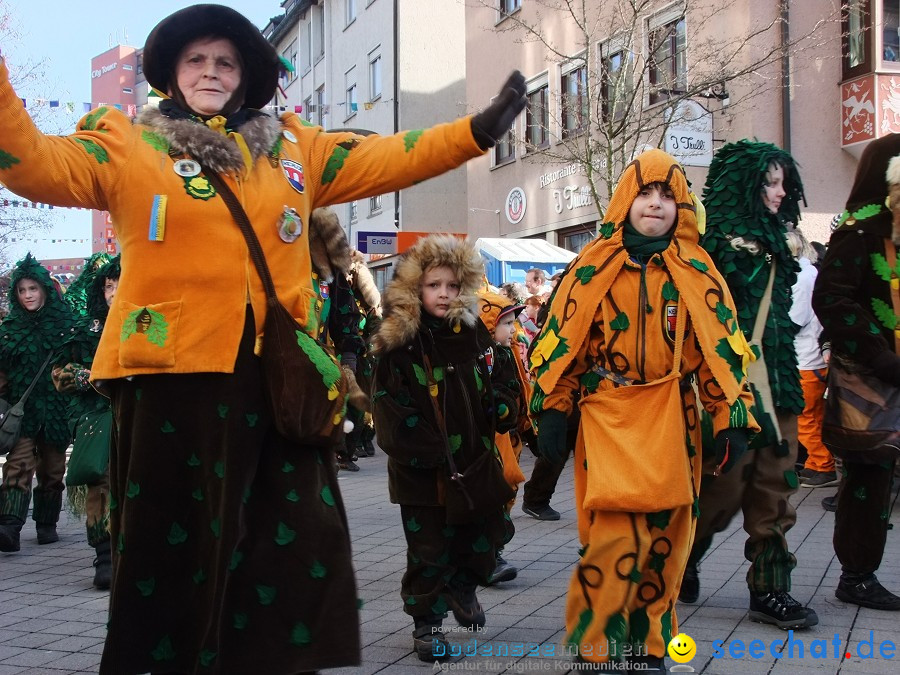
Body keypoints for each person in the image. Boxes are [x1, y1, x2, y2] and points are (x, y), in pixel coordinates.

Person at [0, 5, 526, 672]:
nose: (212, 72)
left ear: (246, 76)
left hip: (278, 387)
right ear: (172, 74)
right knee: (177, 549)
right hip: (171, 385)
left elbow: (387, 155)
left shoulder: (293, 149)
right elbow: (29, 163)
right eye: (197, 60)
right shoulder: (125, 144)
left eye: (227, 62)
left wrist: (475, 133)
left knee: (295, 542)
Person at [529, 149, 758, 670]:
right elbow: (563, 342)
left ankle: (649, 644)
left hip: (675, 421)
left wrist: (730, 417)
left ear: (681, 205)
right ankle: (596, 646)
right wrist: (552, 409)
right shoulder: (590, 268)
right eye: (645, 193)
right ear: (624, 201)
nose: (655, 204)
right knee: (612, 539)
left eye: (667, 194)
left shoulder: (698, 272)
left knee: (665, 541)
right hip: (608, 418)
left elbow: (720, 350)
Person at [679, 140, 819, 630]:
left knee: (776, 485)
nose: (781, 193)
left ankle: (770, 589)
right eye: (770, 183)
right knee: (721, 489)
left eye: (784, 183)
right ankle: (685, 557)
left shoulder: (781, 246)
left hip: (778, 385)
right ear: (745, 186)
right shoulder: (710, 250)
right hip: (727, 393)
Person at [372, 235, 519, 661]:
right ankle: (427, 627)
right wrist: (427, 449)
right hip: (424, 473)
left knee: (486, 538)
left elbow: (499, 382)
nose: (443, 294)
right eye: (434, 285)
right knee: (429, 551)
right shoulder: (398, 345)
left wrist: (504, 406)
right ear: (416, 288)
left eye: (452, 286)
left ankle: (462, 588)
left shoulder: (472, 335)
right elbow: (388, 409)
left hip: (474, 464)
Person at [811, 133, 900, 611]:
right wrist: (881, 357)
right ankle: (857, 576)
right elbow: (831, 299)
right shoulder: (860, 233)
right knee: (869, 479)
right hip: (870, 385)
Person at [52, 256, 120, 589]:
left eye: (120, 284)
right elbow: (60, 374)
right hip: (97, 418)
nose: (114, 292)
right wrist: (84, 376)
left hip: (142, 417)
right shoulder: (86, 329)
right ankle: (104, 555)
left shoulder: (150, 324)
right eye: (108, 286)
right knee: (100, 480)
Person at [0, 253, 74, 552]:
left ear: (44, 289)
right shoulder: (8, 329)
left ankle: (46, 523)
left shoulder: (67, 325)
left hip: (57, 411)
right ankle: (9, 526)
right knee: (17, 466)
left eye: (33, 289)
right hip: (23, 411)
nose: (28, 295)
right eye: (22, 290)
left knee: (53, 471)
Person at [477, 290, 528, 585]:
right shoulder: (476, 356)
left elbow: (516, 387)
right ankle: (488, 558)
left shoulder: (506, 353)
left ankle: (494, 551)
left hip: (508, 437)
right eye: (506, 323)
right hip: (486, 440)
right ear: (487, 324)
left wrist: (526, 425)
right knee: (490, 496)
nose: (513, 329)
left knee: (507, 492)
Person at [786, 230, 835, 488]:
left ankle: (822, 465)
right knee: (813, 416)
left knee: (806, 417)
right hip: (811, 357)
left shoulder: (802, 278)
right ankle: (816, 463)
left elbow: (796, 319)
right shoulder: (810, 273)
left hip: (806, 359)